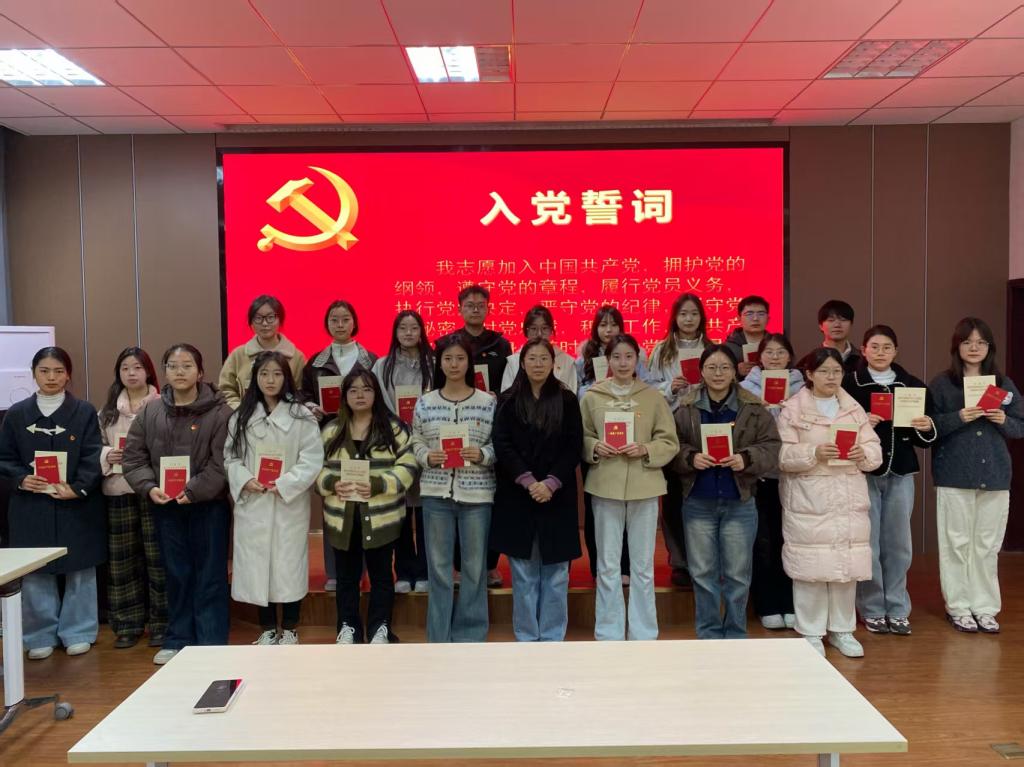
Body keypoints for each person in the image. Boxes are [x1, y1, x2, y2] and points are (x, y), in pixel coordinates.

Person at [123, 343, 232, 665]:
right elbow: (133, 457)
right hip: (166, 505)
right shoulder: (151, 411)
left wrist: (194, 490)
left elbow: (222, 463)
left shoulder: (221, 412)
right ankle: (178, 638)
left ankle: (211, 640)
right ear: (165, 372)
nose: (180, 371)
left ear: (200, 372)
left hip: (208, 506)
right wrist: (149, 487)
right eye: (173, 366)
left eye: (187, 366)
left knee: (210, 573)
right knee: (176, 572)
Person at [0, 347, 105, 659]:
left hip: (75, 503)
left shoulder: (84, 411)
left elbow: (93, 455)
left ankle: (79, 630)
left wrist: (78, 487)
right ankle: (39, 634)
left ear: (68, 375)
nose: (51, 377)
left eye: (58, 371)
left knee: (80, 567)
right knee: (35, 568)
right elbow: (4, 457)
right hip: (30, 504)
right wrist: (21, 479)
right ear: (33, 373)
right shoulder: (16, 414)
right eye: (44, 371)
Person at [777, 348, 881, 658]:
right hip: (810, 499)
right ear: (809, 374)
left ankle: (842, 630)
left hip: (848, 496)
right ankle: (810, 631)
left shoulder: (853, 408)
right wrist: (813, 453)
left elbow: (874, 451)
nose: (831, 377)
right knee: (810, 568)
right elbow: (782, 455)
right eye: (824, 371)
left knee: (845, 568)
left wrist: (865, 454)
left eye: (836, 371)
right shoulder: (792, 409)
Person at [671, 344, 780, 639]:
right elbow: (672, 445)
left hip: (739, 502)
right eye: (711, 367)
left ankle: (734, 634)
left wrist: (746, 458)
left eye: (724, 367)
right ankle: (708, 633)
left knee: (737, 576)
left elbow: (772, 447)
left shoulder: (753, 408)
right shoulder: (686, 407)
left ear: (734, 372)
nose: (718, 373)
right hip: (698, 502)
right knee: (702, 574)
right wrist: (690, 457)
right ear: (701, 371)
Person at [579, 334, 679, 641]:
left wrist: (646, 449)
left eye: (629, 357)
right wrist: (595, 446)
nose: (622, 363)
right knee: (608, 564)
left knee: (643, 564)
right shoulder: (592, 396)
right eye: (616, 357)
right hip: (605, 485)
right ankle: (608, 632)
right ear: (607, 360)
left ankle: (643, 632)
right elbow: (580, 437)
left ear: (638, 360)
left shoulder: (652, 397)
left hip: (644, 485)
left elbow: (669, 441)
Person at [929, 318, 1024, 634]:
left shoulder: (1003, 383)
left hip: (995, 475)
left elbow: (1020, 426)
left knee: (986, 545)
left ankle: (985, 607)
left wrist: (1002, 419)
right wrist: (959, 417)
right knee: (956, 544)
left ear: (989, 347)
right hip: (954, 474)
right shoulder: (943, 384)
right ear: (957, 346)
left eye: (980, 342)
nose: (974, 348)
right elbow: (928, 428)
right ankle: (958, 607)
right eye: (967, 342)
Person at [842, 325, 936, 636]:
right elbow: (837, 432)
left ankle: (897, 607)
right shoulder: (849, 384)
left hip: (901, 472)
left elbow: (925, 440)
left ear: (896, 351)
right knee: (867, 545)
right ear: (863, 350)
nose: (880, 352)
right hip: (863, 473)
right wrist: (860, 425)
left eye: (887, 347)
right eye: (874, 346)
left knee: (899, 545)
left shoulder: (913, 385)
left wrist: (925, 426)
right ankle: (871, 608)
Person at [225, 351, 323, 646]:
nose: (270, 380)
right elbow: (230, 457)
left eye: (277, 374)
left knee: (288, 564)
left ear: (287, 378)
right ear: (255, 377)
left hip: (287, 501)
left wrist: (286, 483)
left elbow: (312, 458)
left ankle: (290, 628)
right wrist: (245, 479)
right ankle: (267, 628)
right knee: (257, 565)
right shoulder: (241, 416)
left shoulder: (301, 416)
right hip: (254, 501)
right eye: (264, 374)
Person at [491, 339, 582, 641]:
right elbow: (502, 444)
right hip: (519, 495)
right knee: (523, 573)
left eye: (544, 358)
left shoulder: (566, 399)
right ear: (522, 362)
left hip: (557, 495)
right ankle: (528, 637)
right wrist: (529, 481)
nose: (538, 364)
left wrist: (551, 483)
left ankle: (553, 637)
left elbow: (574, 445)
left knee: (556, 573)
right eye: (532, 358)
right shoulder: (508, 400)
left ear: (554, 363)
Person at [318, 368, 418, 644]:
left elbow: (409, 465)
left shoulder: (393, 428)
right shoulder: (331, 430)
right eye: (353, 390)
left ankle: (379, 628)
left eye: (366, 389)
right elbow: (315, 469)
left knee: (382, 575)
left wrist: (380, 484)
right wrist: (332, 483)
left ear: (376, 394)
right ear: (344, 396)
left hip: (381, 517)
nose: (360, 395)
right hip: (343, 517)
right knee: (346, 577)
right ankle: (348, 627)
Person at [411, 335, 497, 642]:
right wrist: (426, 456)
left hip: (476, 495)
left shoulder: (487, 403)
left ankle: (470, 636)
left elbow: (499, 445)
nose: (454, 364)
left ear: (469, 362)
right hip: (436, 495)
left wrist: (482, 454)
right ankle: (439, 637)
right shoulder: (426, 402)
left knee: (474, 569)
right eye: (448, 358)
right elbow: (416, 440)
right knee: (438, 569)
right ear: (439, 363)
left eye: (460, 358)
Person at [434, 284, 511, 588]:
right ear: (459, 309)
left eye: (481, 304)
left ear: (488, 308)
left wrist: (498, 397)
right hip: (454, 421)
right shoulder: (447, 344)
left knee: (489, 498)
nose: (476, 309)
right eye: (470, 304)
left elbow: (510, 383)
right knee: (454, 494)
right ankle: (456, 565)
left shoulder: (501, 344)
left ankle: (489, 565)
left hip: (489, 421)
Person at [300, 299, 377, 592]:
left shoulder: (372, 360)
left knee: (365, 501)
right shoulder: (315, 363)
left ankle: (365, 569)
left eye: (345, 319)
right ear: (327, 324)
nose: (340, 324)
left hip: (365, 436)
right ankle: (335, 571)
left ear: (354, 322)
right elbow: (303, 396)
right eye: (334, 320)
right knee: (335, 501)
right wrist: (311, 406)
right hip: (331, 438)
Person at [575, 305, 652, 583]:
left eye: (614, 324)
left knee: (631, 511)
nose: (608, 330)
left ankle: (627, 567)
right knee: (598, 510)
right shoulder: (583, 357)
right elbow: (575, 395)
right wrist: (599, 388)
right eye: (603, 324)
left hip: (631, 444)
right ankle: (600, 567)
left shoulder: (635, 356)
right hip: (599, 443)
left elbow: (648, 390)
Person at [97, 346, 164, 649]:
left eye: (137, 367)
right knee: (122, 561)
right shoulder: (108, 411)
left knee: (157, 559)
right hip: (118, 489)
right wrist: (106, 454)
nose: (132, 373)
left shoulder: (163, 405)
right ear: (118, 373)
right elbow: (95, 445)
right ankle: (127, 623)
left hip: (153, 490)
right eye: (125, 368)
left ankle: (162, 623)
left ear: (148, 371)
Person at [740, 333, 804, 630]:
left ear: (790, 356)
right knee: (763, 541)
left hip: (795, 476)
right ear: (759, 357)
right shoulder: (745, 389)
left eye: (781, 352)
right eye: (769, 352)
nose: (775, 357)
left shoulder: (803, 389)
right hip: (761, 476)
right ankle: (766, 603)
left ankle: (791, 602)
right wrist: (761, 413)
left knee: (790, 540)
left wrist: (790, 411)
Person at [648, 293, 709, 587]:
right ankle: (680, 561)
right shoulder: (662, 350)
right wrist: (669, 388)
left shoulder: (712, 348)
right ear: (674, 317)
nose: (688, 319)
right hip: (672, 428)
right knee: (673, 498)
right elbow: (648, 389)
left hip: (705, 427)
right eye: (683, 313)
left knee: (702, 495)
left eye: (694, 313)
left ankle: (704, 559)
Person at [372, 310, 433, 594]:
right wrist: (396, 430)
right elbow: (379, 404)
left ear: (422, 332)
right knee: (400, 510)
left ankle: (426, 571)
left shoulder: (434, 363)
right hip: (395, 443)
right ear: (395, 333)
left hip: (428, 442)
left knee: (426, 512)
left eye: (414, 328)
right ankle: (405, 571)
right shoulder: (382, 365)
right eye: (403, 328)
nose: (408, 333)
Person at [218, 295, 305, 409]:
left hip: (286, 417)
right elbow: (225, 389)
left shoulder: (297, 357)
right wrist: (241, 410)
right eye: (258, 318)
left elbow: (301, 392)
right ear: (251, 322)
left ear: (280, 320)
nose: (264, 323)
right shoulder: (238, 355)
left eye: (270, 317)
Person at [499, 305, 578, 393]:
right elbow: (506, 396)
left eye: (544, 328)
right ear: (526, 331)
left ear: (551, 330)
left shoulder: (566, 361)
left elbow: (572, 395)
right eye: (534, 328)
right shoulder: (514, 361)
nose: (539, 334)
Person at [724, 295, 771, 379]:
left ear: (768, 318)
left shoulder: (777, 344)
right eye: (749, 314)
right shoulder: (727, 348)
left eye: (761, 314)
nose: (755, 318)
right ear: (739, 318)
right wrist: (735, 371)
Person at [816, 300, 861, 373]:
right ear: (821, 326)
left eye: (843, 320)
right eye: (831, 320)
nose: (837, 325)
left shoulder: (865, 359)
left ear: (851, 324)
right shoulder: (809, 361)